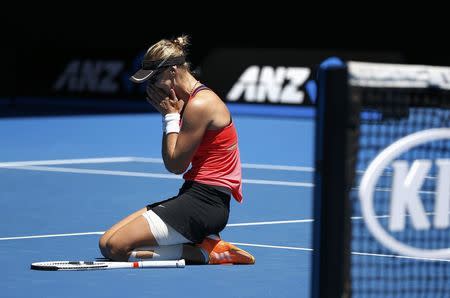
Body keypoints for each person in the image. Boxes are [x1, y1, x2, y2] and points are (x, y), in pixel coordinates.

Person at [98, 35, 255, 265]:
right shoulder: (189, 101)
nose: (152, 87)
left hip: (205, 205)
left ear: (172, 71)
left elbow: (175, 165)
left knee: (116, 248)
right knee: (105, 242)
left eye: (154, 79)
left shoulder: (200, 105)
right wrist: (172, 115)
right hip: (194, 196)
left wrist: (169, 117)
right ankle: (205, 241)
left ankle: (206, 253)